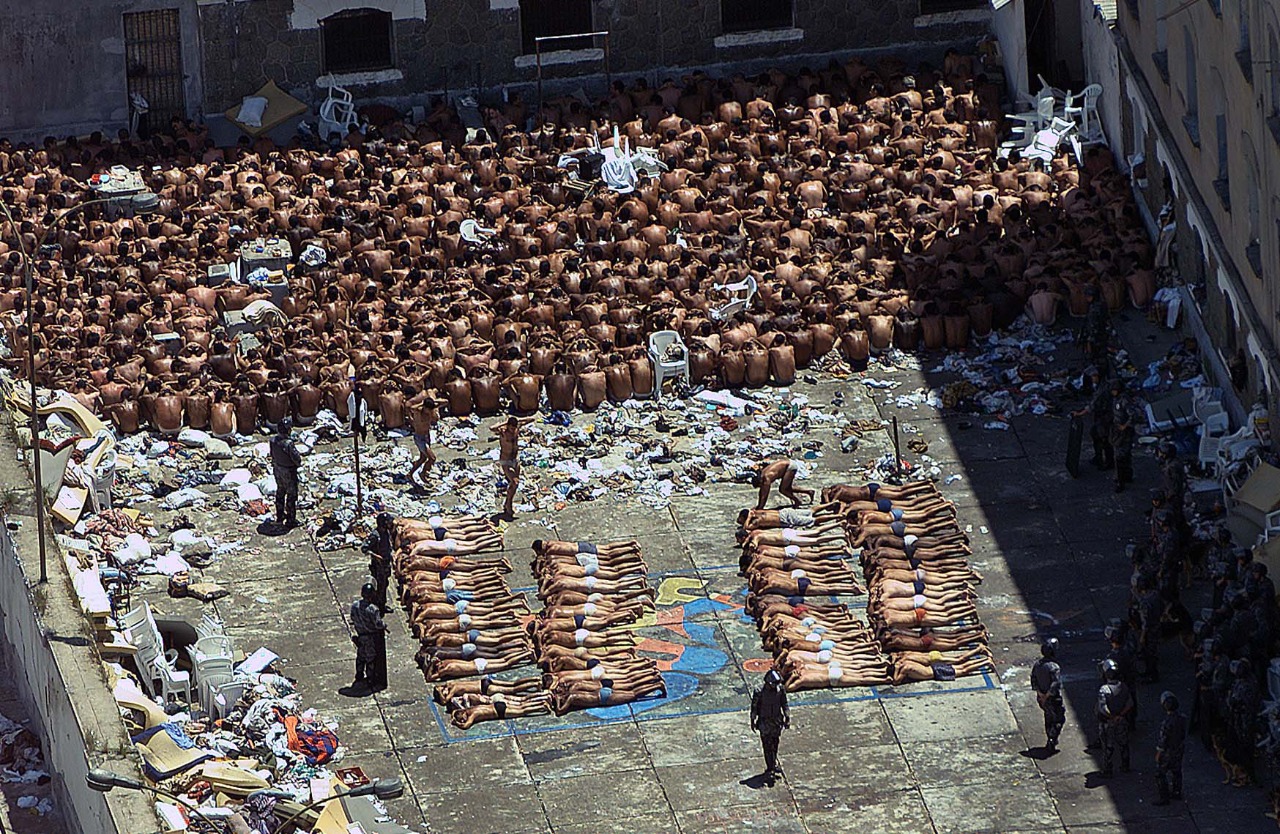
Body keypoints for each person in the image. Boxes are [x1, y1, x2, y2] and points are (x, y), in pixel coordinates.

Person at [750, 668, 790, 783]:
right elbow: (755, 707)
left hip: (776, 721)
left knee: (775, 743)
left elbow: (784, 703)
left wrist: (787, 717)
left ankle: (772, 764)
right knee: (767, 745)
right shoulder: (759, 691)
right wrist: (753, 720)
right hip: (765, 722)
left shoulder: (780, 690)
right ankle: (770, 768)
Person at [490, 416, 532, 519]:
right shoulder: (503, 432)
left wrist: (519, 420)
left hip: (514, 459)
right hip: (506, 461)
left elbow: (532, 419)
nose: (513, 430)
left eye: (515, 428)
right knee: (515, 482)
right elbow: (491, 428)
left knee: (514, 485)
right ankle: (508, 504)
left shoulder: (517, 429)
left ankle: (507, 503)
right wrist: (504, 423)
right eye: (511, 428)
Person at [1096, 658, 1133, 777]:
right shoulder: (1123, 686)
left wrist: (1112, 717)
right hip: (1122, 720)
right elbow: (1130, 703)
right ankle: (1125, 765)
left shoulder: (1104, 690)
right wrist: (1120, 715)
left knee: (1108, 746)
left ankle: (1107, 770)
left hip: (1108, 722)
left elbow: (1103, 708)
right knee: (1123, 744)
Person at [350, 582, 387, 692]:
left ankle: (359, 674)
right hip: (371, 637)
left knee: (361, 656)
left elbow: (352, 618)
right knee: (371, 658)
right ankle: (370, 678)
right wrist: (384, 626)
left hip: (360, 635)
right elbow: (378, 624)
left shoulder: (355, 605)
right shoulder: (373, 609)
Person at [1071, 379, 1113, 472]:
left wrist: (1080, 413)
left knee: (1104, 439)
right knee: (1096, 435)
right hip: (1103, 416)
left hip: (1105, 417)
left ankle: (1108, 462)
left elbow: (1092, 405)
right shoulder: (1102, 385)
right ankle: (1099, 458)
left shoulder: (1101, 390)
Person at [1031, 638, 1065, 752]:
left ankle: (1050, 738)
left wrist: (1040, 694)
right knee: (1059, 718)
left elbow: (1033, 680)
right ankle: (1052, 738)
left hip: (1041, 699)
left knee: (1048, 717)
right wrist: (1047, 694)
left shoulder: (1037, 665)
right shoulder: (1054, 667)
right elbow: (1055, 683)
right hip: (1052, 699)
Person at [269, 417, 302, 529]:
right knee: (292, 495)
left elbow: (272, 454)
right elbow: (296, 459)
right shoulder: (288, 444)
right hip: (289, 471)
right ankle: (291, 519)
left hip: (278, 469)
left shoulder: (273, 440)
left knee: (280, 491)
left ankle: (279, 515)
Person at [1155, 691, 1186, 805]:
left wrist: (1159, 753)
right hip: (1179, 748)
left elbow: (1163, 739)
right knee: (1177, 771)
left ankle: (1164, 797)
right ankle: (1177, 792)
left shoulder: (1167, 722)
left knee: (1160, 773)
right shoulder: (1182, 718)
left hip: (1168, 751)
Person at [363, 512, 394, 613]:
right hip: (378, 566)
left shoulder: (385, 532)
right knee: (378, 586)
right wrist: (376, 556)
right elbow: (364, 549)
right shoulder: (375, 536)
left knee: (384, 584)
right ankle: (376, 606)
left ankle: (382, 605)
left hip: (385, 564)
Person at [1110, 380, 1138, 492]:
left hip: (1124, 433)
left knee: (1120, 457)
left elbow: (1133, 415)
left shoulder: (1124, 400)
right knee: (1124, 456)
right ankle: (1126, 476)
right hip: (1117, 430)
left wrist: (1125, 426)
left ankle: (1120, 481)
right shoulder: (1116, 399)